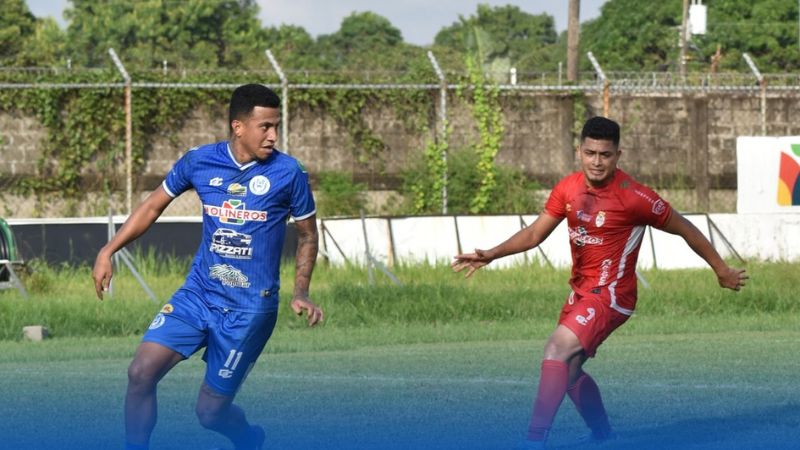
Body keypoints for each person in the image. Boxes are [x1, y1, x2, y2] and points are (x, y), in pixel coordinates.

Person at [451, 116, 748, 449]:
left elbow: (685, 228)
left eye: (605, 154)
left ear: (618, 155)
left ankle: (533, 441)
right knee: (569, 371)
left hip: (612, 294)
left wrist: (720, 269)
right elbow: (535, 233)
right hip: (580, 292)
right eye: (590, 152)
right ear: (579, 151)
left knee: (556, 350)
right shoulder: (568, 188)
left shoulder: (634, 196)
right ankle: (604, 435)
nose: (596, 161)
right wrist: (491, 254)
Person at [92, 84, 323, 450]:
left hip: (249, 309)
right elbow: (153, 206)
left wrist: (301, 292)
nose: (273, 135)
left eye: (276, 126)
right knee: (140, 373)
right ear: (238, 126)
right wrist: (109, 250)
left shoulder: (289, 172)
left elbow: (308, 236)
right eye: (265, 126)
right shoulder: (199, 161)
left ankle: (249, 438)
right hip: (199, 294)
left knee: (210, 413)